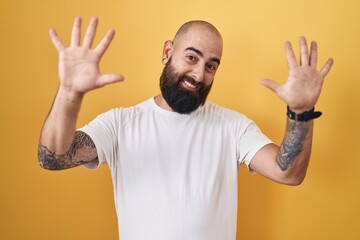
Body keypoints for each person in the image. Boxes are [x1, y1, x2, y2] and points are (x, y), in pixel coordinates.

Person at [38, 16, 333, 239]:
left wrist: (300, 111)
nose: (198, 74)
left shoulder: (232, 126)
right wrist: (69, 93)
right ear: (168, 51)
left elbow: (289, 172)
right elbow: (52, 157)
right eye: (191, 57)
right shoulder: (120, 124)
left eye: (211, 65)